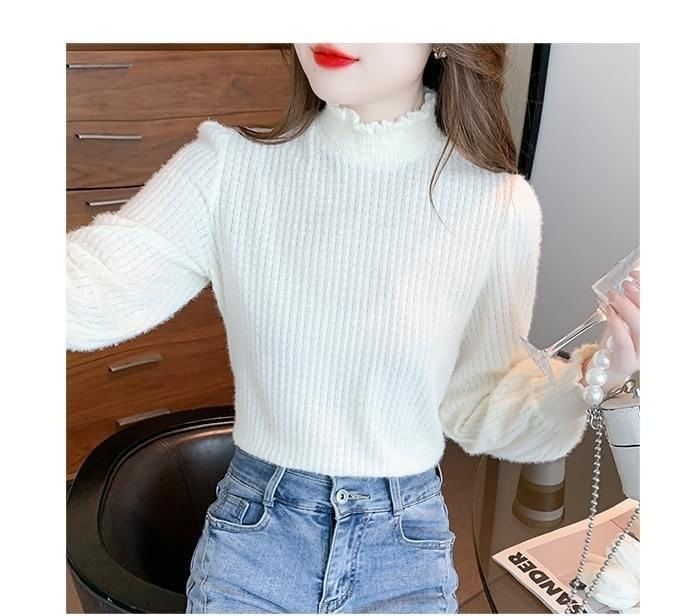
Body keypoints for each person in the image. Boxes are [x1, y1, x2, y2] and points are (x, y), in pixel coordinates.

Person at [66, 44, 640, 614]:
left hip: (404, 549)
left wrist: (597, 372)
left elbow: (482, 402)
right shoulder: (226, 169)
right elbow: (92, 286)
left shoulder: (497, 204)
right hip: (257, 540)